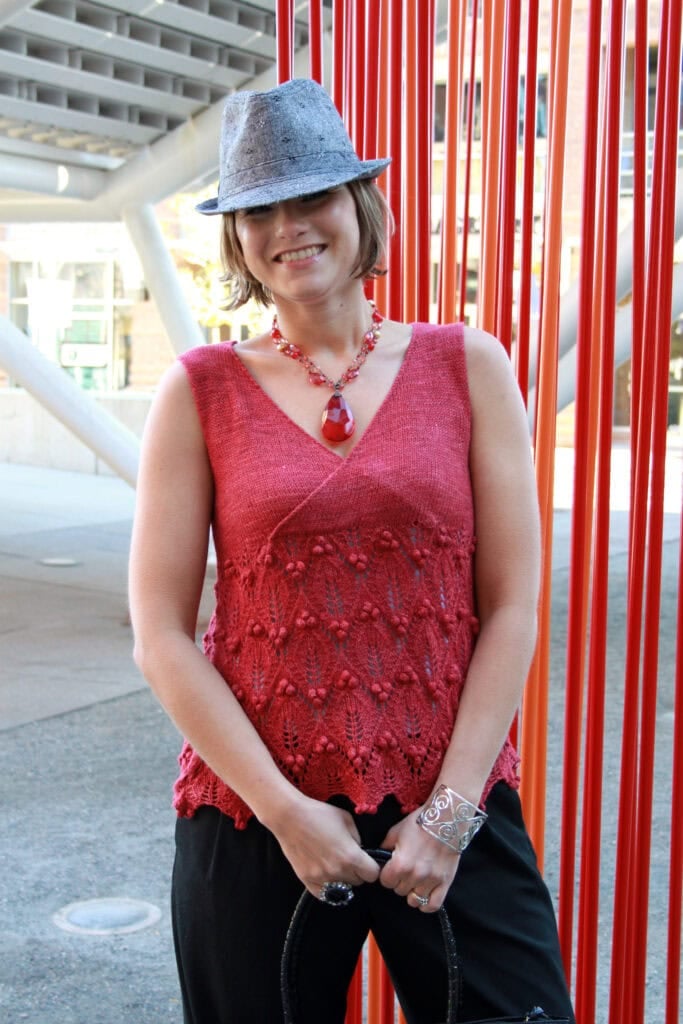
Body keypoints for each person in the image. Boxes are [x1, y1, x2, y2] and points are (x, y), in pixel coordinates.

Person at [128, 78, 575, 1024]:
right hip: (255, 814)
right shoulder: (198, 391)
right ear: (237, 237)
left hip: (449, 806)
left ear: (359, 204)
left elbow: (512, 604)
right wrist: (289, 813)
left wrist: (451, 817)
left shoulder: (468, 364)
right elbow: (160, 634)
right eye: (259, 209)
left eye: (311, 196)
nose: (289, 226)